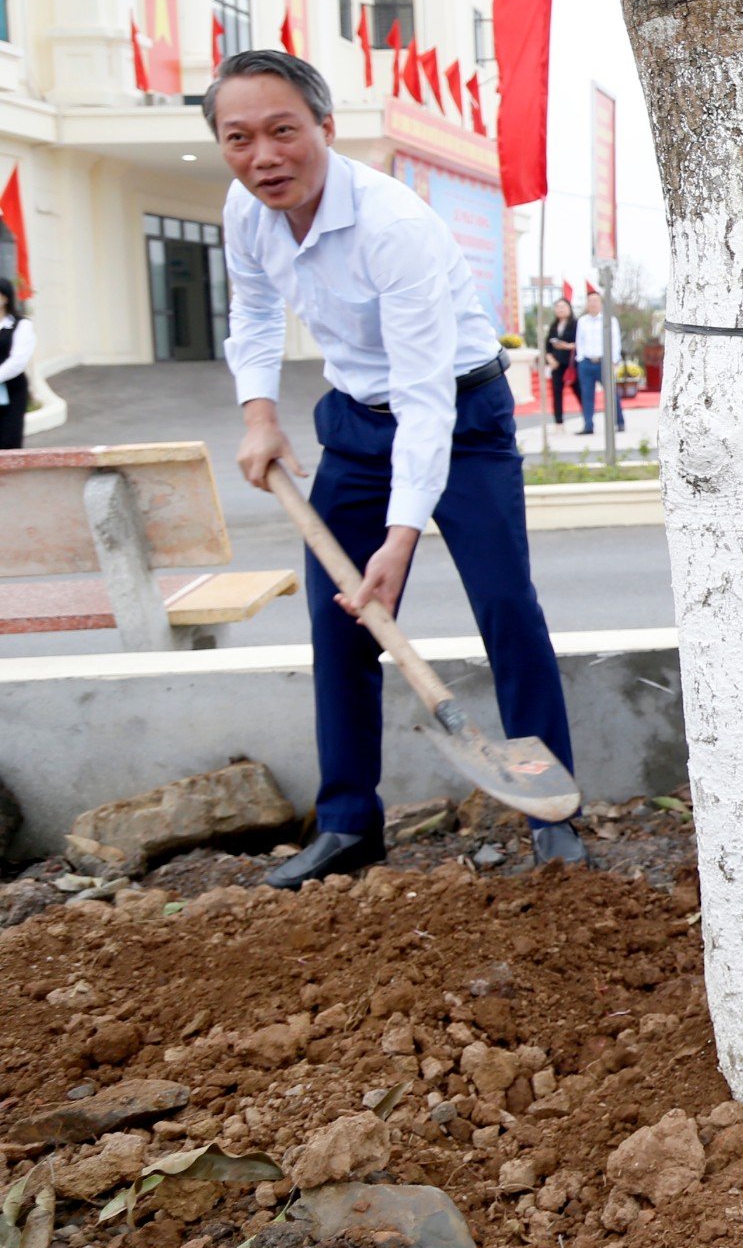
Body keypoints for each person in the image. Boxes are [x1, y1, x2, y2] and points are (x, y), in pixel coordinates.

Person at [213, 49, 584, 886]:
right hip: (352, 424)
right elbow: (255, 308)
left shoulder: (394, 225)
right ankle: (349, 823)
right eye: (239, 138)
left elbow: (425, 398)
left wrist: (400, 536)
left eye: (282, 131)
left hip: (461, 415)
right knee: (339, 620)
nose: (264, 156)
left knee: (505, 607)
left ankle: (551, 814)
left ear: (325, 128)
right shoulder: (246, 209)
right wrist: (260, 414)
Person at [575, 289, 623, 435]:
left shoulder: (609, 320)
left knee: (611, 394)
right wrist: (581, 358)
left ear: (601, 303)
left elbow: (615, 341)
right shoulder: (582, 321)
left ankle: (619, 422)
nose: (593, 304)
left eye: (596, 301)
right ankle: (588, 425)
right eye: (590, 301)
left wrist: (614, 359)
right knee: (587, 395)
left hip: (605, 362)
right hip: (587, 362)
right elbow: (579, 341)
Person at [0, 279, 31, 450]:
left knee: (8, 440)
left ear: (5, 298)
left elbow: (18, 360)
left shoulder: (21, 325)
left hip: (11, 390)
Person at [543, 296, 583, 425]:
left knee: (579, 391)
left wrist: (565, 345)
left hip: (571, 364)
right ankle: (558, 422)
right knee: (556, 393)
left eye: (563, 307)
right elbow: (547, 346)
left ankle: (588, 419)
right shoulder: (554, 326)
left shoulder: (576, 324)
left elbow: (580, 343)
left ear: (569, 308)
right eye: (558, 307)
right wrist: (549, 358)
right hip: (557, 364)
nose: (560, 309)